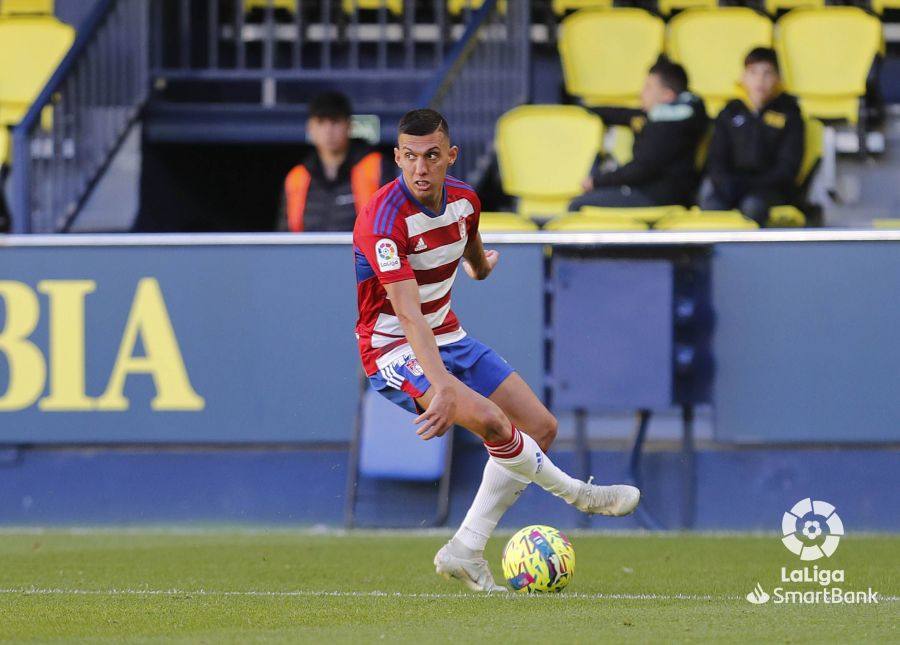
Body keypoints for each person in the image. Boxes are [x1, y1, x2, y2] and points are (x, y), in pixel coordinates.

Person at [353, 109, 640, 593]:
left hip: (450, 335)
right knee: (493, 424)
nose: (420, 169)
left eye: (431, 157)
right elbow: (406, 315)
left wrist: (481, 268)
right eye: (409, 157)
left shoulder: (465, 201)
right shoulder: (381, 221)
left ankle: (465, 549)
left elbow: (471, 251)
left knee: (541, 427)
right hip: (393, 347)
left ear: (451, 157)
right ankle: (579, 495)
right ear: (397, 156)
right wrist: (441, 384)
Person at [570, 57, 708, 211]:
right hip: (647, 193)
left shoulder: (671, 127)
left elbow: (641, 169)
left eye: (648, 88)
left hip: (658, 198)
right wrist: (582, 110)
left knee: (578, 205)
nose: (641, 93)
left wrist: (597, 182)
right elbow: (622, 114)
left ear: (667, 96)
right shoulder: (655, 116)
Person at [699, 47, 804, 225]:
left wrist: (750, 185)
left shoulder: (790, 114)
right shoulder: (729, 112)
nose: (760, 80)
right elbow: (715, 159)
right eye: (753, 72)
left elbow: (787, 168)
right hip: (731, 186)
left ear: (777, 78)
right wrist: (728, 183)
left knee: (752, 206)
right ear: (743, 77)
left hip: (769, 189)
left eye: (767, 73)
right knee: (710, 201)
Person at [279, 91, 385, 232]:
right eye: (321, 122)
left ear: (349, 126)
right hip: (307, 254)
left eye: (335, 122)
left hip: (361, 253)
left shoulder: (376, 166)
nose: (328, 131)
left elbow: (390, 226)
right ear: (310, 128)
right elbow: (284, 236)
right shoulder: (297, 177)